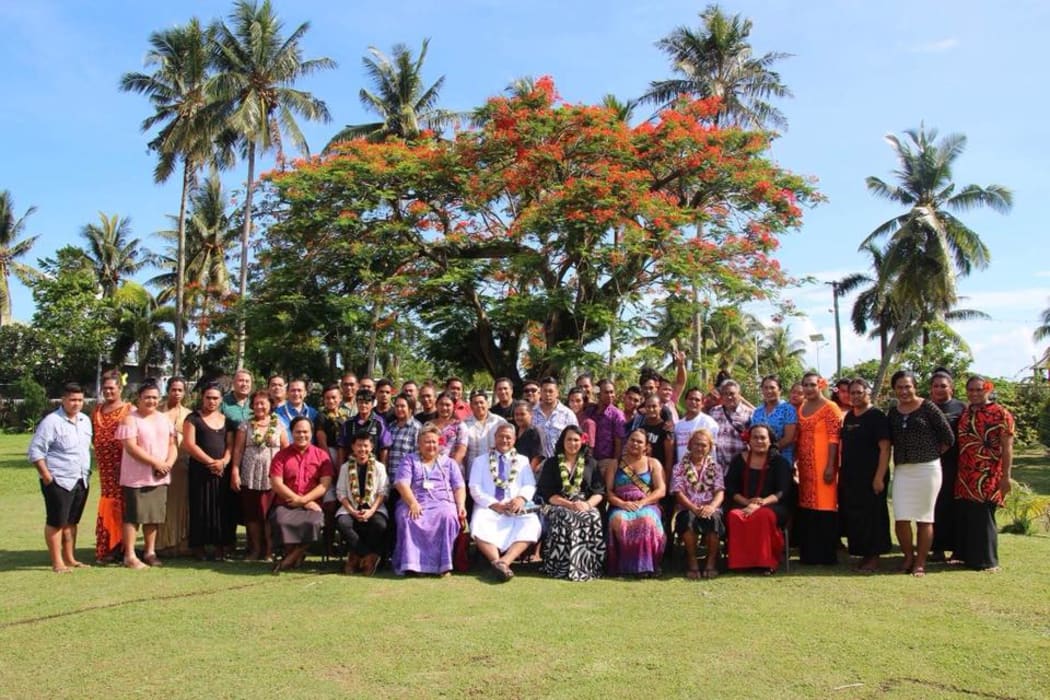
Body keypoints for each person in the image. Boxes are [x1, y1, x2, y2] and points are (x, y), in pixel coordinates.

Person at [887, 370, 955, 578]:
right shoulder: (893, 412)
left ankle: (920, 562)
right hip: (902, 470)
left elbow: (948, 437)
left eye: (908, 386)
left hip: (927, 470)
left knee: (925, 518)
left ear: (915, 387)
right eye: (900, 387)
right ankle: (908, 557)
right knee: (901, 517)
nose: (904, 391)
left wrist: (931, 454)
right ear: (894, 389)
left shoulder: (928, 407)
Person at [28, 382, 93, 572]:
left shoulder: (85, 420)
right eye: (72, 400)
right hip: (59, 480)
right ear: (63, 400)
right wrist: (47, 476)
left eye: (80, 400)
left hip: (80, 478)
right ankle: (57, 562)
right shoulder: (51, 422)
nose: (76, 403)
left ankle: (70, 558)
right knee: (56, 522)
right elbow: (35, 452)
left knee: (72, 522)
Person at [954, 376, 1015, 571]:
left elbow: (1007, 447)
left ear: (988, 389)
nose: (975, 393)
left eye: (979, 389)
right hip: (965, 473)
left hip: (988, 473)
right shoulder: (966, 412)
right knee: (967, 515)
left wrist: (1006, 476)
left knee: (984, 515)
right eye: (971, 390)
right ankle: (966, 556)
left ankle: (988, 561)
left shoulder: (1000, 414)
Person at [116, 380, 177, 569]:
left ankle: (150, 552)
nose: (151, 401)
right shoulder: (130, 419)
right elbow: (131, 447)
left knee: (153, 517)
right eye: (147, 397)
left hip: (159, 476)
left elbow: (172, 445)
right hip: (136, 477)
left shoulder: (164, 419)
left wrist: (167, 464)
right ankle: (130, 555)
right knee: (133, 517)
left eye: (154, 397)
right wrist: (155, 463)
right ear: (139, 398)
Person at [392, 424, 468, 576]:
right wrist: (413, 503)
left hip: (442, 502)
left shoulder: (449, 463)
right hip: (415, 501)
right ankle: (412, 566)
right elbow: (402, 483)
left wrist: (461, 505)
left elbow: (459, 486)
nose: (431, 445)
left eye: (434, 442)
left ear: (439, 443)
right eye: (427, 442)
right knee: (407, 517)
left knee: (448, 516)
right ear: (419, 444)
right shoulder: (409, 460)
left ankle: (443, 566)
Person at [469, 423, 541, 581]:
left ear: (514, 440)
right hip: (489, 507)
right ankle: (497, 561)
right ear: (494, 438)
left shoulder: (522, 460)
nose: (504, 440)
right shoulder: (480, 461)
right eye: (501, 436)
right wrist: (494, 504)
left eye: (508, 437)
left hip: (515, 507)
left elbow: (529, 484)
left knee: (532, 524)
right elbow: (474, 487)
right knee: (478, 523)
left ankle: (504, 562)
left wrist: (520, 499)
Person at [536, 426, 606, 581]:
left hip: (584, 503)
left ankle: (586, 566)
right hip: (557, 503)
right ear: (562, 441)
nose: (572, 443)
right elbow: (547, 493)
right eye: (569, 439)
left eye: (576, 440)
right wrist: (569, 504)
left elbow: (599, 491)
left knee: (592, 515)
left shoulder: (591, 463)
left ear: (582, 442)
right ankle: (560, 566)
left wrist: (587, 505)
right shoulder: (552, 463)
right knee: (565, 515)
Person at [838, 378, 891, 572]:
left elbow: (885, 448)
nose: (855, 396)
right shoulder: (849, 417)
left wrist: (879, 477)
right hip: (851, 476)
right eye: (852, 393)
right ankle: (862, 554)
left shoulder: (876, 416)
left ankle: (873, 556)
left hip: (872, 475)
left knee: (873, 516)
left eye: (859, 392)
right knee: (856, 515)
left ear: (868, 393)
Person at [724, 425, 793, 573]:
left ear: (770, 441)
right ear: (749, 440)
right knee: (735, 515)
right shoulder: (738, 460)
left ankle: (765, 562)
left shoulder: (779, 462)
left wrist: (760, 503)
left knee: (762, 515)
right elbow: (730, 487)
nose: (759, 441)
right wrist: (747, 503)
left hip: (772, 505)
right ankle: (740, 563)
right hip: (743, 503)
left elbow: (783, 491)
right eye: (755, 437)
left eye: (763, 438)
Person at [269, 417, 334, 573]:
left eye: (305, 432)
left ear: (311, 433)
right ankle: (295, 554)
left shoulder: (322, 455)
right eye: (298, 432)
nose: (302, 435)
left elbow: (325, 484)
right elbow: (277, 484)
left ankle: (292, 556)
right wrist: (300, 500)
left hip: (314, 504)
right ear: (291, 433)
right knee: (280, 521)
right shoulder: (281, 456)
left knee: (313, 523)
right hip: (286, 503)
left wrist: (305, 500)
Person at [230, 389, 287, 561]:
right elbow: (238, 450)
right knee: (252, 514)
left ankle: (269, 550)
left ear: (270, 405)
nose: (259, 406)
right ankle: (255, 549)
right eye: (255, 403)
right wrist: (235, 471)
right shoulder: (245, 425)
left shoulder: (279, 425)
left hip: (272, 475)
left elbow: (286, 450)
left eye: (263, 403)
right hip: (250, 474)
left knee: (268, 514)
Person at [184, 382, 236, 561]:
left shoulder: (227, 421)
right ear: (202, 398)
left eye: (215, 398)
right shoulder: (193, 418)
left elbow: (230, 446)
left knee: (222, 508)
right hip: (200, 471)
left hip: (222, 472)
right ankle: (199, 547)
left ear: (221, 400)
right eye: (208, 398)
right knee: (200, 507)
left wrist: (223, 462)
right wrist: (210, 462)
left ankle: (221, 546)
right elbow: (189, 444)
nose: (212, 401)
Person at [795, 373, 843, 565]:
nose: (809, 389)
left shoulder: (830, 407)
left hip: (823, 465)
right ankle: (809, 554)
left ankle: (826, 555)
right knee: (808, 507)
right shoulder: (802, 407)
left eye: (812, 385)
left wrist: (830, 465)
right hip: (805, 467)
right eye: (805, 385)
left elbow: (834, 438)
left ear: (820, 385)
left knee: (824, 506)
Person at [605, 429, 666, 576]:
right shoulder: (615, 464)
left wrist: (643, 502)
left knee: (646, 520)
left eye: (639, 442)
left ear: (646, 446)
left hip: (647, 505)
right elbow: (608, 492)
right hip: (620, 505)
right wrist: (622, 504)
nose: (635, 444)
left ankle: (646, 566)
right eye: (632, 440)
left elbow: (661, 490)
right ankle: (624, 567)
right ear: (627, 442)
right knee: (619, 520)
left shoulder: (653, 463)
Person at [671, 428, 724, 580]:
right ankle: (692, 562)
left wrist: (711, 507)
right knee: (688, 519)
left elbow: (720, 491)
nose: (699, 448)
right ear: (689, 445)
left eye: (704, 445)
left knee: (714, 519)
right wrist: (693, 508)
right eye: (696, 444)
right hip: (688, 508)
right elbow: (678, 493)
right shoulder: (679, 467)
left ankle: (711, 563)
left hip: (710, 508)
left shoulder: (716, 467)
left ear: (710, 448)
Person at [335, 433, 389, 575]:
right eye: (359, 445)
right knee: (343, 523)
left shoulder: (379, 467)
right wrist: (352, 511)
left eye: (366, 446)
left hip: (373, 507)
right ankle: (368, 556)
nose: (362, 449)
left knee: (379, 524)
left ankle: (355, 556)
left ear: (371, 447)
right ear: (353, 447)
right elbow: (341, 493)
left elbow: (383, 492)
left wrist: (371, 511)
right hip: (351, 507)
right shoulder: (345, 467)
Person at [92, 370, 131, 564]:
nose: (108, 391)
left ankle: (122, 548)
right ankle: (106, 546)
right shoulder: (97, 411)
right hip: (105, 469)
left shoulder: (129, 409)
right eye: (105, 388)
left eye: (112, 388)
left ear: (120, 389)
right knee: (107, 503)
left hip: (123, 466)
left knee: (123, 505)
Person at [929, 368, 966, 561]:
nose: (939, 389)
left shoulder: (961, 408)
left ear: (951, 387)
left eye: (943, 386)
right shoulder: (926, 407)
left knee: (955, 506)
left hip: (956, 464)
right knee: (935, 505)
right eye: (935, 386)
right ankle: (937, 548)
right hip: (931, 464)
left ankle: (957, 548)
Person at [156, 377, 192, 556]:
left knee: (181, 503)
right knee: (162, 503)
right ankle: (162, 544)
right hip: (159, 464)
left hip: (182, 465)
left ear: (184, 393)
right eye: (173, 389)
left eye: (180, 390)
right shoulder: (156, 412)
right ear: (168, 390)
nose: (176, 393)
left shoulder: (189, 414)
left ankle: (181, 543)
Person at [750, 375, 798, 464]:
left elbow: (789, 438)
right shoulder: (758, 411)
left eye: (772, 388)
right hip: (760, 460)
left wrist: (771, 450)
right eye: (765, 388)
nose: (769, 391)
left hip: (782, 459)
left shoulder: (788, 409)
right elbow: (753, 434)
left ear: (780, 390)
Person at [710, 379, 753, 475]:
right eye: (725, 394)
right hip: (718, 468)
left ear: (739, 395)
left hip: (741, 468)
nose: (729, 397)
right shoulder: (714, 411)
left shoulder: (749, 414)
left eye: (732, 393)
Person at [339, 389, 392, 466]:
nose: (363, 405)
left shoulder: (380, 423)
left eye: (366, 403)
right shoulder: (348, 423)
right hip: (351, 466)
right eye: (360, 402)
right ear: (356, 403)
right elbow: (342, 447)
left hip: (373, 466)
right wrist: (340, 467)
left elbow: (384, 448)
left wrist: (383, 468)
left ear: (372, 404)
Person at [463, 389, 509, 476]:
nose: (479, 405)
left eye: (481, 402)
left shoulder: (499, 422)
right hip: (473, 472)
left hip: (496, 470)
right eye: (475, 403)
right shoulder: (464, 424)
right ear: (471, 406)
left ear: (487, 403)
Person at [532, 376, 578, 458]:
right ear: (540, 392)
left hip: (560, 460)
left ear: (557, 393)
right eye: (545, 391)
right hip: (536, 461)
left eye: (551, 391)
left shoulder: (568, 414)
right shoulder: (531, 413)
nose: (547, 394)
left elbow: (576, 439)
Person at [673, 387, 719, 464]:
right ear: (685, 401)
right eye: (690, 399)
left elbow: (712, 451)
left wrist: (711, 468)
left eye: (697, 400)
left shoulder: (708, 422)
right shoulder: (678, 425)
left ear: (702, 403)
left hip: (703, 469)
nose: (693, 402)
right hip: (681, 469)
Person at [590, 379, 626, 469]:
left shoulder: (617, 415)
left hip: (607, 464)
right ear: (598, 394)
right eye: (606, 392)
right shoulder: (591, 411)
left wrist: (614, 464)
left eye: (612, 392)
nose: (610, 395)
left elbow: (619, 443)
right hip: (590, 462)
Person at [431, 392, 468, 467]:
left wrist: (449, 469)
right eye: (441, 404)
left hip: (452, 468)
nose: (444, 408)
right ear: (436, 405)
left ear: (453, 407)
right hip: (430, 468)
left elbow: (461, 451)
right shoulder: (429, 425)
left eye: (448, 405)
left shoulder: (459, 426)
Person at [512, 400, 544, 472]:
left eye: (522, 414)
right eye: (516, 414)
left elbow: (537, 458)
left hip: (529, 472)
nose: (519, 417)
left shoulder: (535, 432)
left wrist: (528, 473)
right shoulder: (514, 431)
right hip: (514, 470)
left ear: (530, 414)